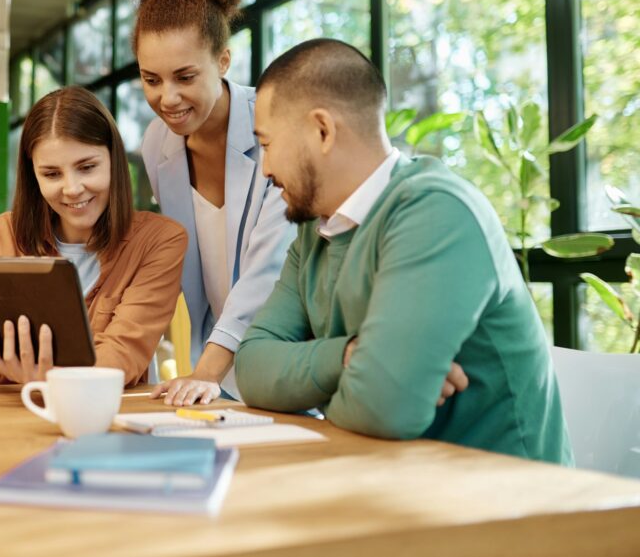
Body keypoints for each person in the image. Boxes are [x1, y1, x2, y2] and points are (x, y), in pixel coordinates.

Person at [235, 38, 572, 463]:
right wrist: (349, 356)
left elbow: (384, 406)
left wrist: (351, 381)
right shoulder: (313, 234)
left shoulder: (435, 212)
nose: (265, 169)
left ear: (322, 130)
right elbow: (251, 368)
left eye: (266, 145)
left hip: (511, 507)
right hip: (397, 484)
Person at [128, 0, 293, 406]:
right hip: (214, 376)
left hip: (286, 355)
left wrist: (204, 373)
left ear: (223, 61)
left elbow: (269, 267)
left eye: (184, 77)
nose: (167, 99)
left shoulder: (274, 125)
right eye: (151, 79)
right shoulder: (157, 144)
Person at [0, 86, 187, 388]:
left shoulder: (160, 240)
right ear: (33, 176)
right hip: (8, 421)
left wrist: (14, 360)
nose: (71, 189)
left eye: (86, 167)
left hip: (101, 421)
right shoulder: (2, 233)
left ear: (114, 160)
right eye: (52, 174)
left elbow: (120, 360)